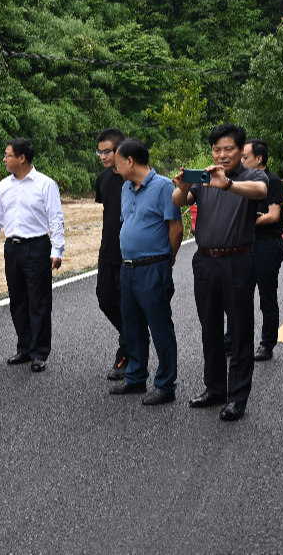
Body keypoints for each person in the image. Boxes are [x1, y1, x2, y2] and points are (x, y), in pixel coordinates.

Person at [172, 124, 267, 421]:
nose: (222, 155)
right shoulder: (205, 177)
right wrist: (183, 186)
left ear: (240, 150)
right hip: (205, 261)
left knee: (239, 332)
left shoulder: (252, 176)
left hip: (238, 260)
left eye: (229, 149)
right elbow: (178, 201)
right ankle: (215, 388)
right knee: (210, 329)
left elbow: (261, 192)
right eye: (217, 149)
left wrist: (228, 184)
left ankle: (237, 397)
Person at [108, 138, 183, 404]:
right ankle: (136, 377)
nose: (115, 168)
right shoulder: (126, 188)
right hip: (128, 268)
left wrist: (166, 260)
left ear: (130, 161)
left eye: (117, 163)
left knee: (159, 326)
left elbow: (176, 229)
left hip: (153, 267)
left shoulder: (163, 187)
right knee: (133, 326)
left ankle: (166, 385)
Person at [0, 138, 65, 373]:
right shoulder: (4, 185)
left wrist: (57, 249)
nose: (4, 159)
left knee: (39, 301)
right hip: (12, 248)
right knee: (18, 299)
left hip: (37, 247)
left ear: (21, 158)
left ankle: (39, 352)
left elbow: (56, 218)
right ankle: (25, 347)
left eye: (8, 155)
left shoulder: (45, 184)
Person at [241, 140, 283, 360]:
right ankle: (233, 340)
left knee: (267, 297)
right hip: (245, 244)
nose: (242, 161)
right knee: (239, 295)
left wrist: (246, 221)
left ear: (259, 158)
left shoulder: (272, 181)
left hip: (267, 244)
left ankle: (267, 343)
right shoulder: (243, 181)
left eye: (245, 157)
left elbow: (273, 215)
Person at [94, 128, 129, 380]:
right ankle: (131, 335)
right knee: (105, 301)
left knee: (129, 306)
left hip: (129, 255)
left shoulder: (133, 178)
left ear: (120, 149)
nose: (104, 156)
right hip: (107, 252)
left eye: (107, 151)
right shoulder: (103, 178)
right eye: (100, 152)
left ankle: (126, 353)